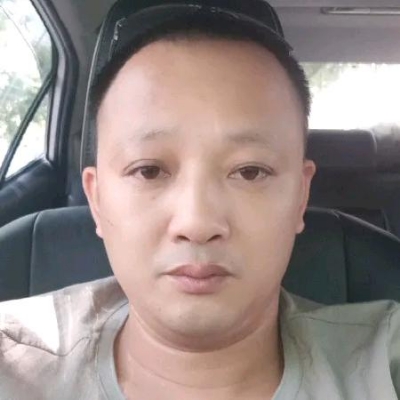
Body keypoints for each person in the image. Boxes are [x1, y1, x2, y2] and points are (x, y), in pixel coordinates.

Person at [0, 1, 399, 399]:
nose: (197, 223)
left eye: (250, 171)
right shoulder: (16, 362)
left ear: (300, 196)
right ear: (98, 199)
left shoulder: (383, 365)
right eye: (149, 170)